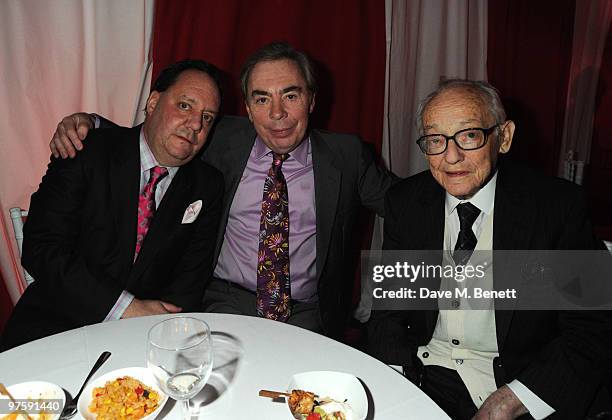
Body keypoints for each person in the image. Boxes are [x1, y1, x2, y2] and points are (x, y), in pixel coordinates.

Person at [47, 42, 395, 337]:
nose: (277, 114)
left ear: (312, 100)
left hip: (309, 314)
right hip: (224, 302)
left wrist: (411, 301)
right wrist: (87, 123)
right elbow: (158, 135)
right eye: (261, 100)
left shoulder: (347, 156)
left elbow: (411, 208)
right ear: (247, 108)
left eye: (290, 95)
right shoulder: (218, 135)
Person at [367, 79, 611, 419]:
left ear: (504, 137)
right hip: (424, 372)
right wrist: (391, 379)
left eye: (469, 135)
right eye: (436, 140)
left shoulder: (557, 207)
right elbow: (391, 307)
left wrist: (512, 400)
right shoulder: (406, 201)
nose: (451, 157)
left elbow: (591, 326)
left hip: (513, 383)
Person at [0, 60, 224, 351]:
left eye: (207, 117)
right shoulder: (86, 149)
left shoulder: (207, 184)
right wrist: (126, 308)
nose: (195, 124)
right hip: (56, 324)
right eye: (184, 106)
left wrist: (156, 328)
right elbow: (41, 249)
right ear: (154, 102)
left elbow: (189, 282)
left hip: (147, 338)